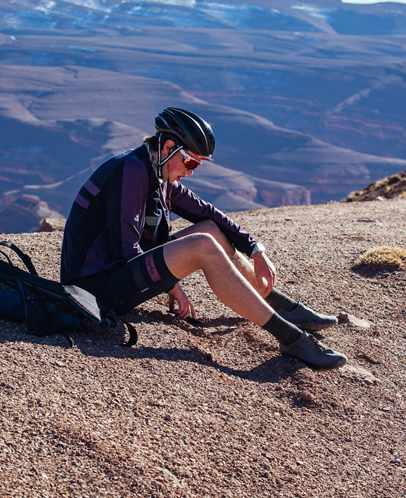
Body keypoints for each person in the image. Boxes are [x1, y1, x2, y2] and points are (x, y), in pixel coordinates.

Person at [60, 107, 347, 369]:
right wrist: (172, 286)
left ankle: (281, 306)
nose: (190, 171)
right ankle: (291, 338)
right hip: (94, 288)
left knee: (209, 230)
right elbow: (125, 248)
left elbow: (208, 213)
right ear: (169, 147)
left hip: (119, 273)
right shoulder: (132, 170)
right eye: (190, 163)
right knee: (203, 246)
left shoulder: (158, 172)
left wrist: (255, 249)